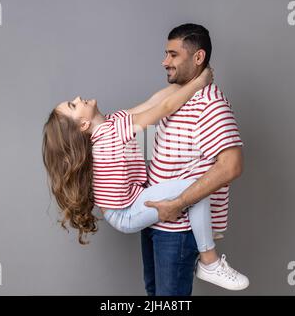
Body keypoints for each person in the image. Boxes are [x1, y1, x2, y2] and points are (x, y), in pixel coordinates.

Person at [42, 67, 242, 291]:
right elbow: (163, 107)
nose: (78, 98)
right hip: (124, 214)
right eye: (73, 105)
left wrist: (187, 81)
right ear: (84, 125)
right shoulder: (112, 132)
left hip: (126, 205)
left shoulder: (113, 122)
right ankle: (209, 261)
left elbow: (152, 101)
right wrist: (199, 82)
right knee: (197, 189)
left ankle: (202, 232)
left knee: (194, 194)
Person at [139, 23, 249, 295]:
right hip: (152, 219)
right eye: (166, 53)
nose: (165, 62)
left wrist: (177, 204)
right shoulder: (176, 99)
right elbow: (153, 149)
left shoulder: (211, 104)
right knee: (155, 295)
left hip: (178, 228)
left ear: (198, 57)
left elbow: (231, 166)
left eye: (173, 54)